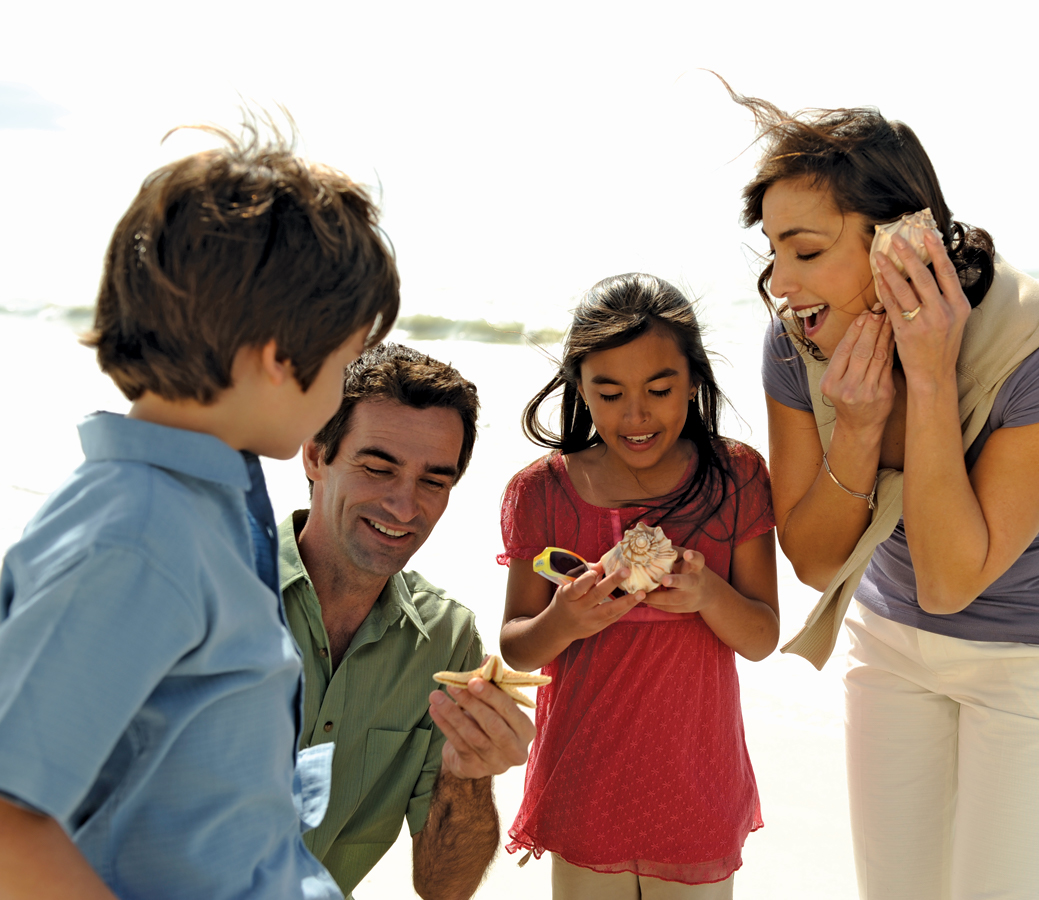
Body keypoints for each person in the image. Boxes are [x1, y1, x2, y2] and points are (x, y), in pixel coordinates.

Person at [0, 117, 399, 899]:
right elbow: (10, 819)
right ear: (282, 357)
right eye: (350, 362)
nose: (344, 390)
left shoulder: (202, 504)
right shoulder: (138, 532)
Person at [732, 86, 1039, 900]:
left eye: (805, 250)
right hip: (890, 646)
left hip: (1033, 665)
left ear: (901, 242)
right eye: (774, 252)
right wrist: (860, 427)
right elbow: (812, 560)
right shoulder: (798, 343)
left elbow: (950, 580)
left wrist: (931, 375)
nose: (782, 285)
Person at [498, 273, 779, 899]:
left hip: (694, 790)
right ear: (579, 388)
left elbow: (761, 636)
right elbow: (518, 646)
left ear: (694, 380)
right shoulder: (542, 491)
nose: (636, 414)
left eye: (659, 388)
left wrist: (710, 596)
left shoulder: (735, 478)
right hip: (585, 784)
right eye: (609, 392)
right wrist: (565, 621)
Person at [283, 342, 536, 899]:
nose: (403, 505)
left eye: (433, 481)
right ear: (314, 455)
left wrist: (469, 773)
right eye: (378, 468)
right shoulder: (210, 587)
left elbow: (444, 888)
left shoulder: (446, 644)